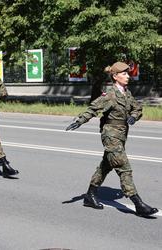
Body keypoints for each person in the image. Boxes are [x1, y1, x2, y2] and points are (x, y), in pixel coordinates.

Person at [66, 62, 158, 217]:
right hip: (111, 135)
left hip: (121, 135)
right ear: (115, 76)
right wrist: (79, 121)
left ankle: (90, 195)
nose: (128, 76)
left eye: (128, 74)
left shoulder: (126, 93)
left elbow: (137, 108)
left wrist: (134, 117)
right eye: (124, 74)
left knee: (106, 166)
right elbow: (93, 109)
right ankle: (138, 204)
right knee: (124, 167)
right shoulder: (110, 94)